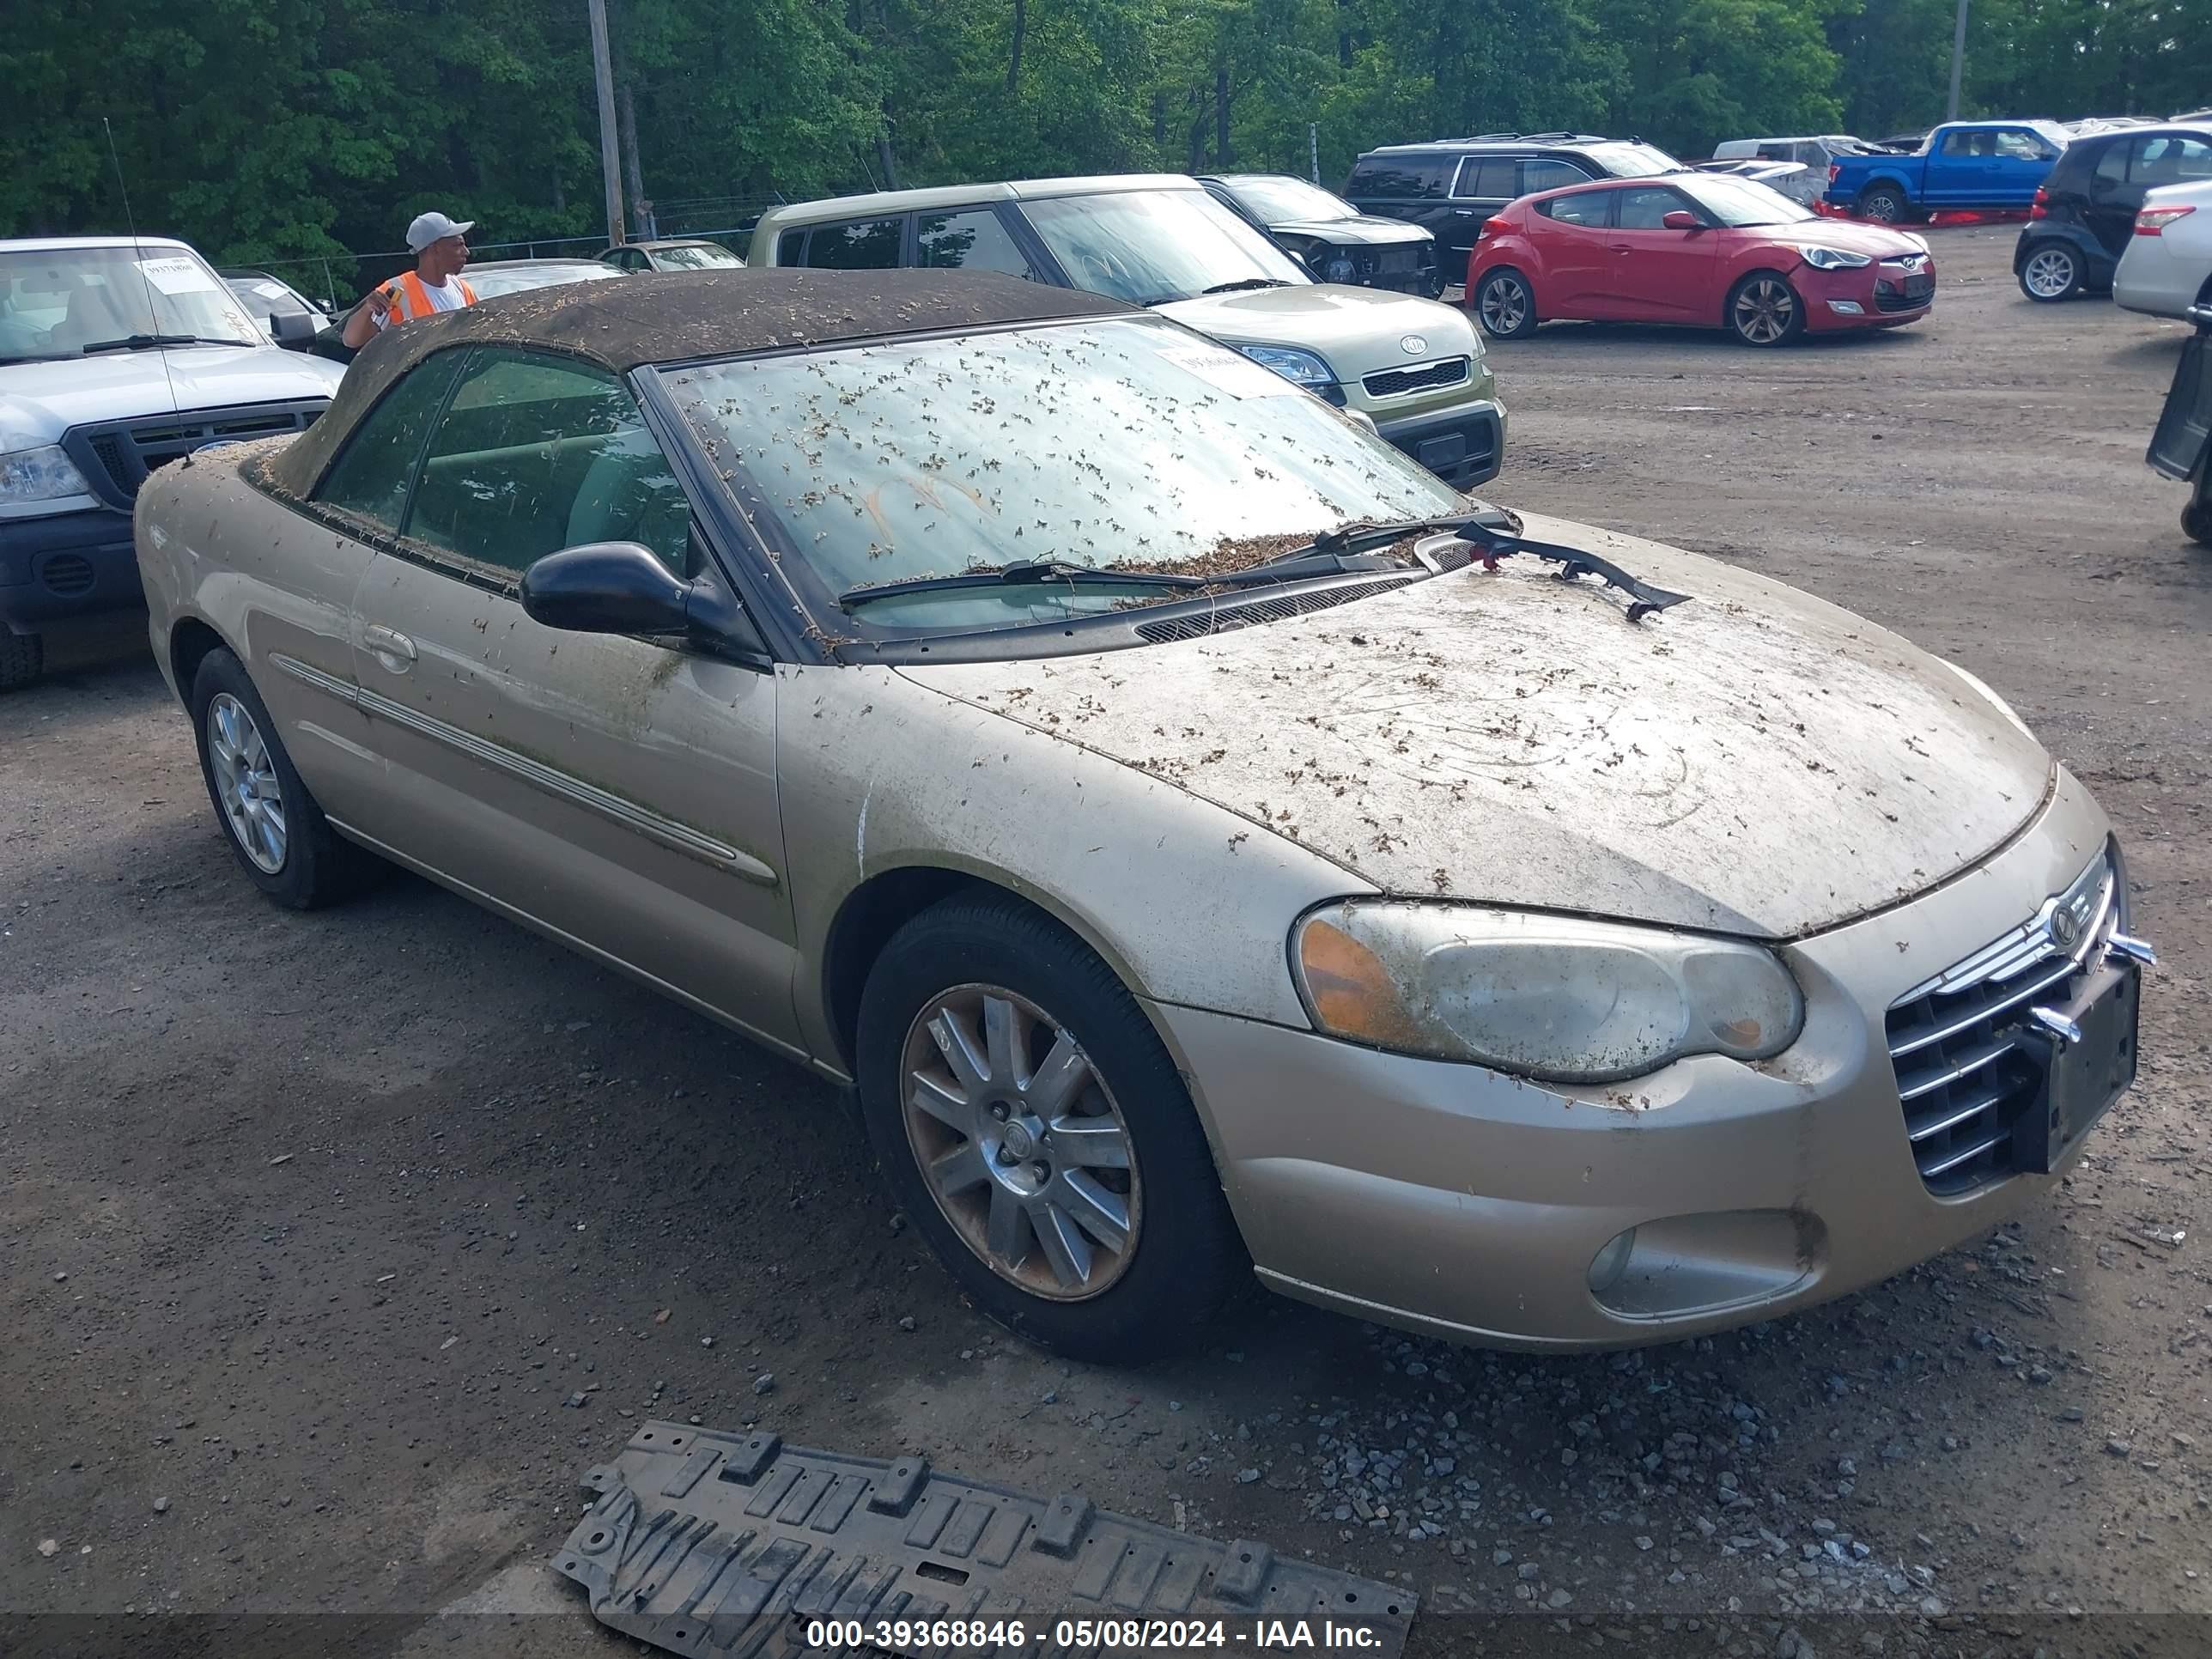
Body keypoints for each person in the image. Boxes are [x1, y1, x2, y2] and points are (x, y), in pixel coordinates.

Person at [341, 211, 479, 348]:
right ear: (435, 249)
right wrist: (367, 309)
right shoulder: (396, 291)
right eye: (458, 245)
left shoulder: (463, 289)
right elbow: (351, 340)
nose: (466, 252)